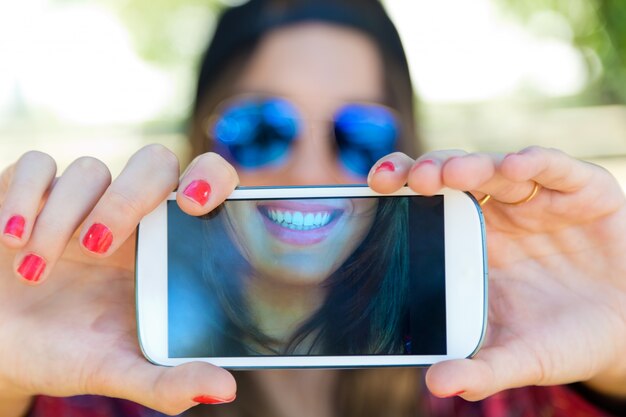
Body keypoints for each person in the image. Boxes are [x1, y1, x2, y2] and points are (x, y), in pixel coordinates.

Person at [1, 0, 626, 416]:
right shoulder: (92, 378)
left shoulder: (506, 377)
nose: (308, 172)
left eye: (360, 135)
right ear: (200, 140)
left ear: (403, 147)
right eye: (260, 126)